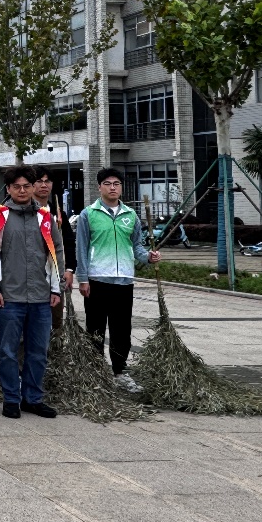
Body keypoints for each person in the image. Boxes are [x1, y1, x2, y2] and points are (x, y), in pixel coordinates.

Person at [0, 165, 64, 419]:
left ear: (33, 187)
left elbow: (56, 252)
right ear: (8, 189)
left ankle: (33, 398)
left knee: (38, 352)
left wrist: (56, 287)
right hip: (10, 297)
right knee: (8, 352)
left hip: (41, 297)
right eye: (16, 186)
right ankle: (11, 398)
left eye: (26, 186)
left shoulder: (46, 218)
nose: (22, 190)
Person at [75, 167, 160, 393]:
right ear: (99, 187)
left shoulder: (130, 215)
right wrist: (82, 278)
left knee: (121, 329)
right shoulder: (88, 214)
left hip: (124, 280)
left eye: (116, 184)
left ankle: (120, 372)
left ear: (121, 187)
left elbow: (137, 246)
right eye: (108, 184)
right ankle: (95, 372)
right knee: (95, 329)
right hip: (97, 280)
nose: (112, 188)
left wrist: (148, 257)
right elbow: (81, 248)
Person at [32, 165, 76, 329]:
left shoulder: (58, 214)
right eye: (39, 181)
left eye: (47, 181)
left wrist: (69, 269)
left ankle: (55, 345)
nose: (44, 185)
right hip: (31, 276)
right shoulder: (25, 212)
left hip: (55, 276)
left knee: (56, 322)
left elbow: (68, 243)